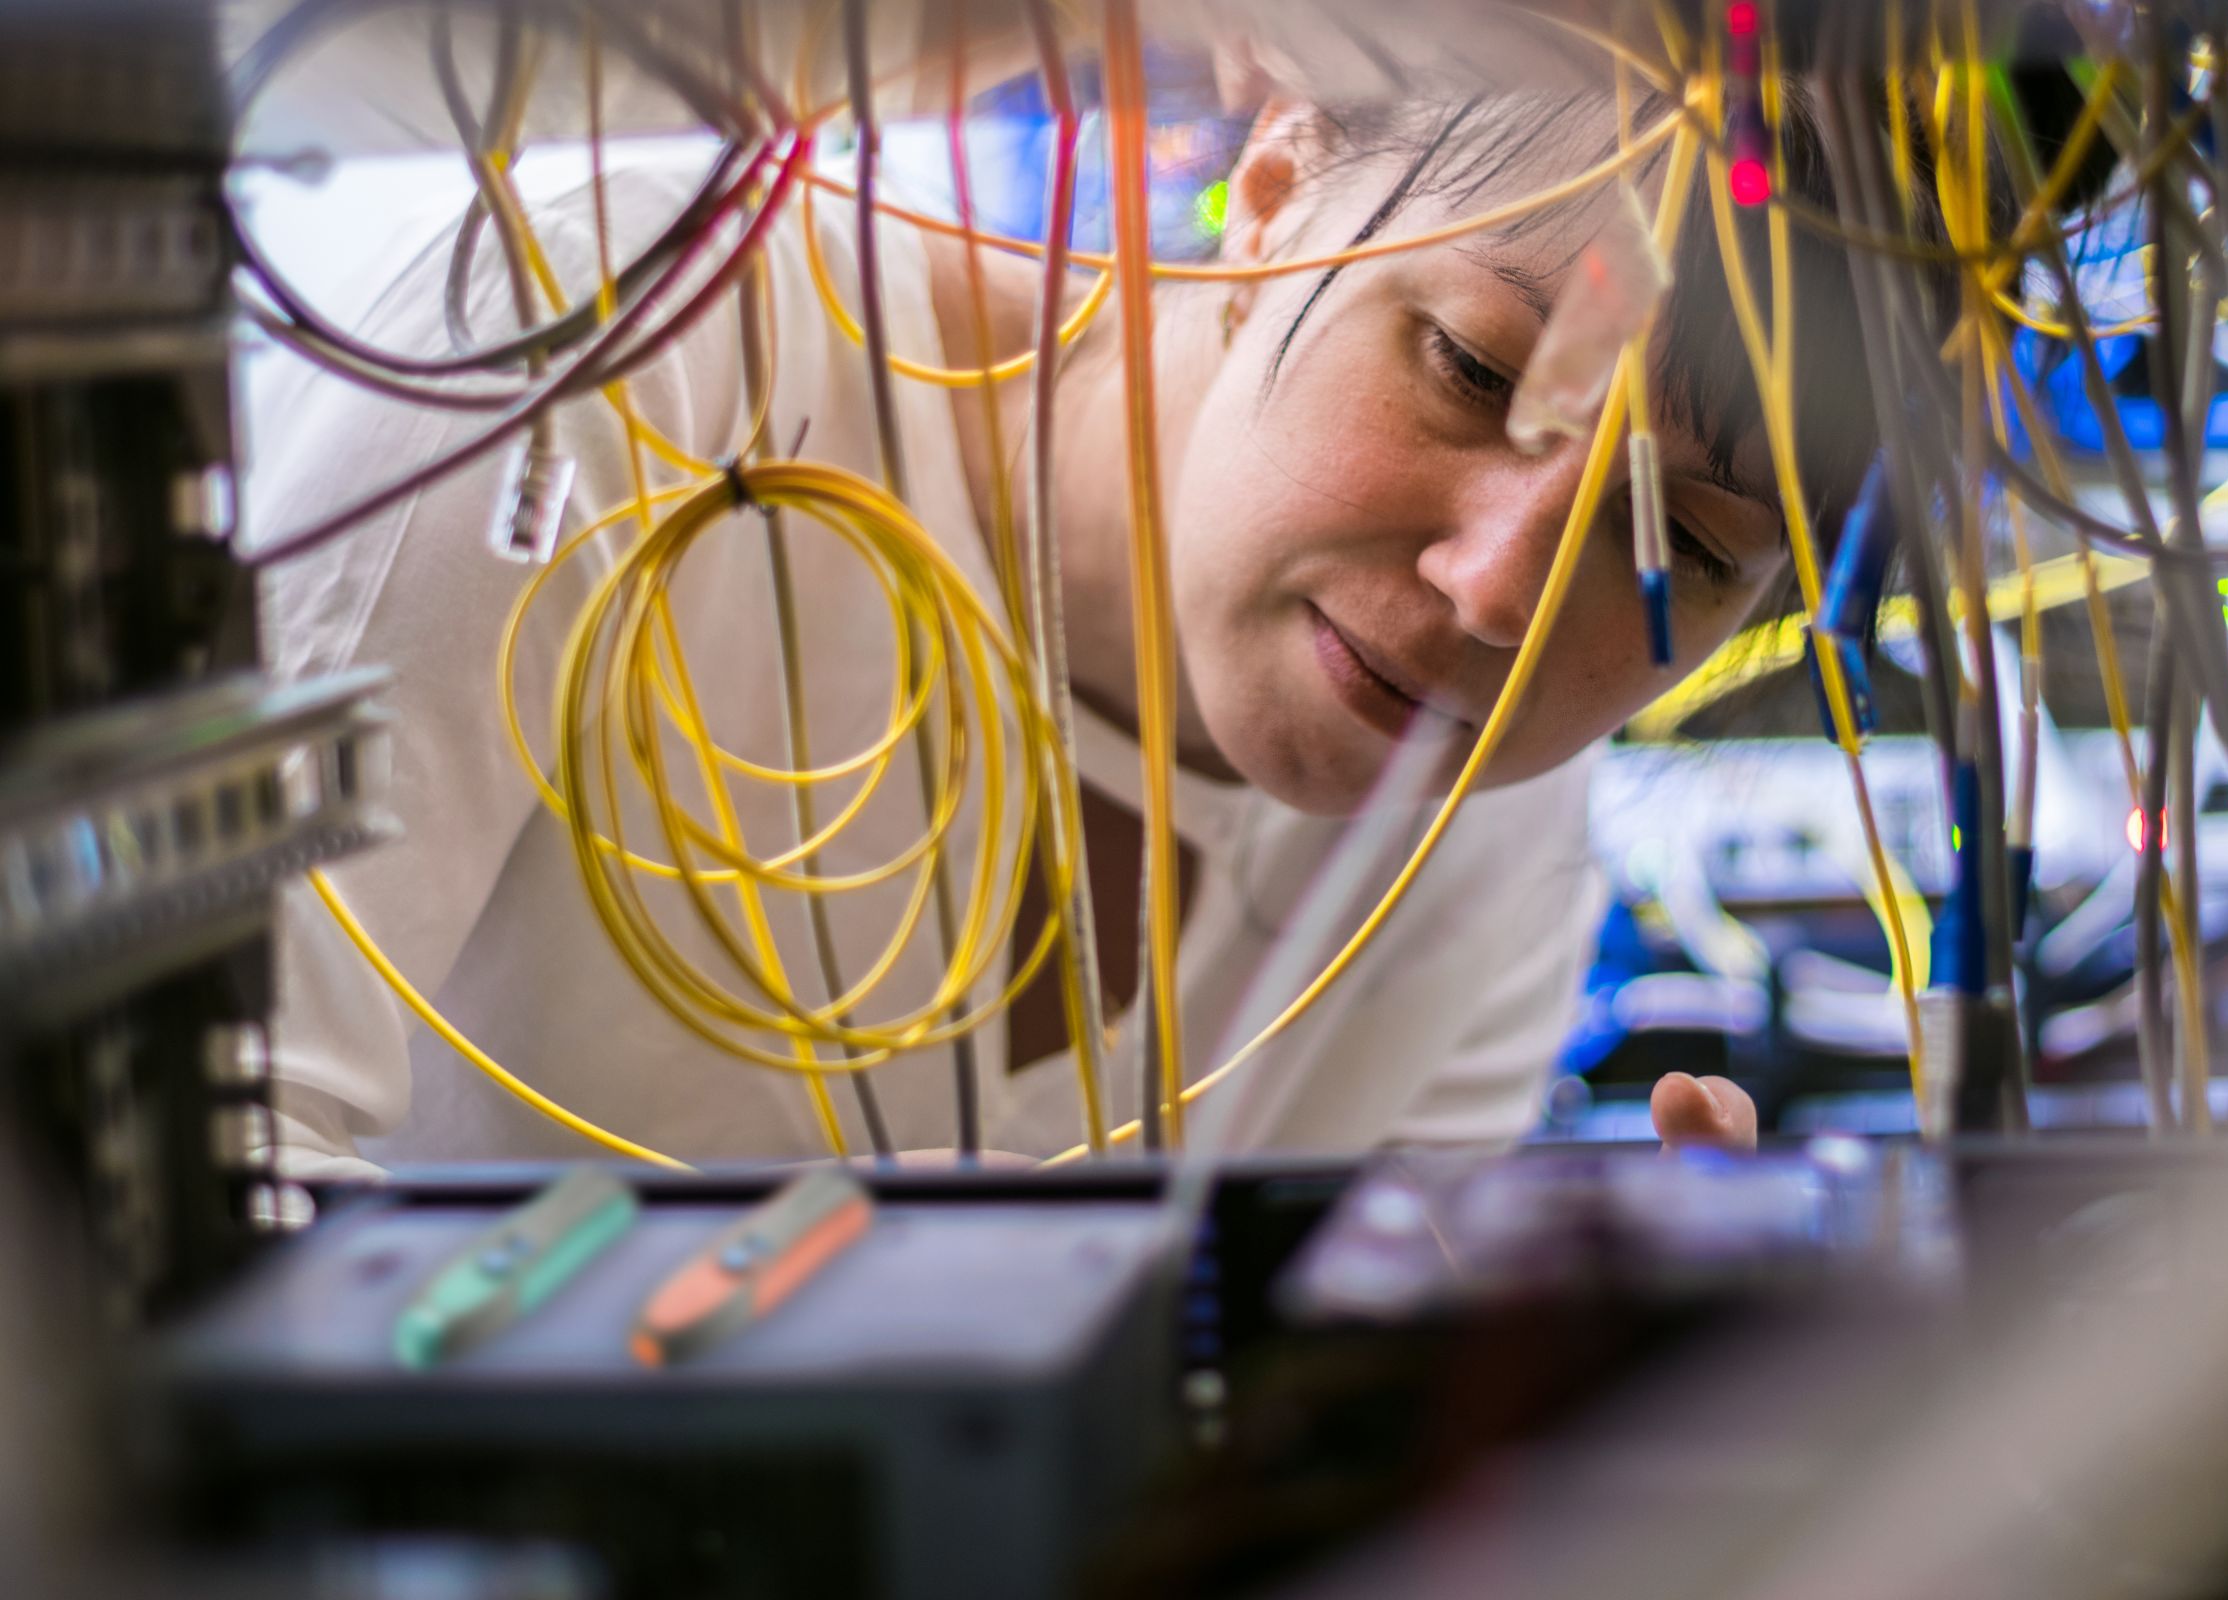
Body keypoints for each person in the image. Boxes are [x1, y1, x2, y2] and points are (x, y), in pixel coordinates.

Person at [251, 61, 1893, 1180]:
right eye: (1471, 372)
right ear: (1269, 198)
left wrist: (1536, 1447)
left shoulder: (1490, 850)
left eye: (1679, 539)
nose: (1496, 600)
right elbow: (156, 1224)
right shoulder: (622, 347)